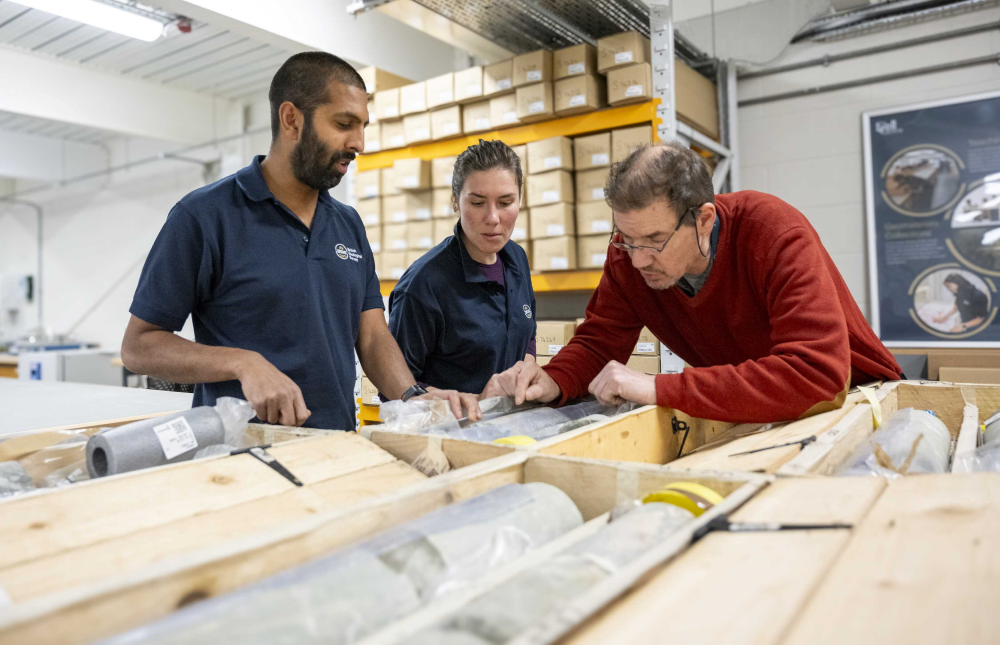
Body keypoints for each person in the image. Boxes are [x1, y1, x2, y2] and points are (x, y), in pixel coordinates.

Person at [121, 52, 481, 429]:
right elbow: (138, 346)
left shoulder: (348, 225)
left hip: (335, 449)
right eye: (344, 123)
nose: (358, 143)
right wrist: (243, 363)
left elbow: (372, 335)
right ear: (291, 119)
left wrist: (412, 397)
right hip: (241, 460)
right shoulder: (204, 217)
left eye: (363, 126)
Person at [482, 141, 902, 423]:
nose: (639, 259)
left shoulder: (773, 232)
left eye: (655, 240)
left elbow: (816, 375)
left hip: (855, 405)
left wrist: (660, 387)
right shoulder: (627, 255)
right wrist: (555, 380)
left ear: (703, 220)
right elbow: (599, 342)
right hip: (758, 411)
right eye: (627, 238)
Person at [388, 140, 535, 394]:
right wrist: (474, 403)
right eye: (478, 203)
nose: (492, 218)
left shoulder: (517, 259)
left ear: (520, 199)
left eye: (505, 202)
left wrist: (528, 370)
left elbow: (527, 336)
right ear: (455, 201)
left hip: (514, 429)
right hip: (450, 431)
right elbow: (395, 390)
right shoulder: (423, 285)